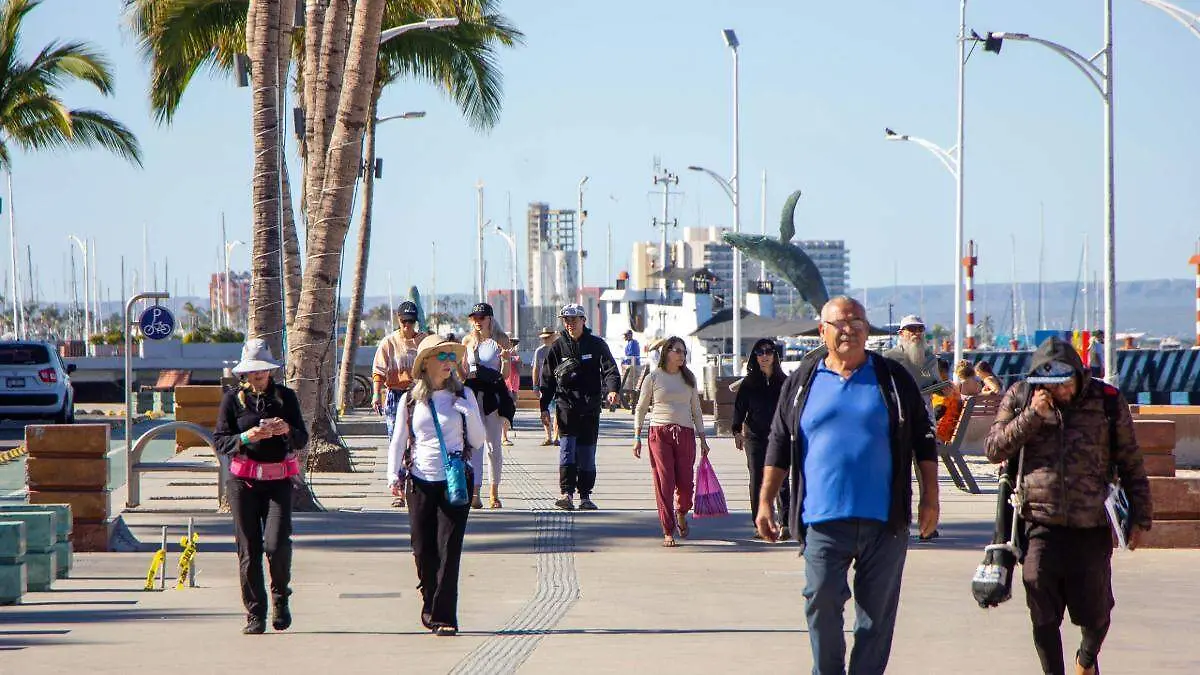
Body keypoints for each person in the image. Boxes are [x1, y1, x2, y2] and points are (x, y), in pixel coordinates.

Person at [758, 296, 939, 674]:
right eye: (840, 323)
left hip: (884, 524)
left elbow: (924, 441)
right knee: (820, 604)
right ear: (822, 331)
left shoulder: (892, 378)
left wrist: (930, 500)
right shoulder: (802, 382)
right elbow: (778, 442)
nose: (850, 329)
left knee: (876, 621)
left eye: (857, 322)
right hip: (821, 521)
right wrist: (765, 503)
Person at [984, 336, 1152, 675]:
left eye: (1063, 382)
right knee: (1039, 598)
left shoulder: (1106, 401)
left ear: (1078, 375)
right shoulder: (1020, 397)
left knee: (1097, 612)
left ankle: (1085, 660)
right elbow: (993, 449)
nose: (1057, 390)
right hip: (1038, 521)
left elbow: (1131, 460)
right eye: (1048, 383)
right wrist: (1032, 416)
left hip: (1089, 522)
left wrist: (1141, 517)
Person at [386, 334, 487, 637]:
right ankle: (429, 600)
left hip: (455, 482)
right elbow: (399, 440)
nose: (448, 363)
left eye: (451, 357)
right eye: (441, 357)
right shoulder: (411, 400)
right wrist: (393, 475)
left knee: (449, 550)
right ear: (426, 363)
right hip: (419, 480)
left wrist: (469, 412)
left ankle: (445, 616)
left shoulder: (464, 395)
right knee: (422, 550)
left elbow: (478, 441)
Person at [213, 339, 309, 635]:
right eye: (252, 372)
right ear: (243, 374)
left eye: (263, 371)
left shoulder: (285, 397)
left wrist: (287, 431)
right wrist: (246, 437)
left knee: (276, 544)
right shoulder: (232, 400)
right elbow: (220, 440)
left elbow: (302, 438)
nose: (258, 376)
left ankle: (281, 596)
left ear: (270, 371)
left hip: (279, 481)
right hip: (243, 483)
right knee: (249, 549)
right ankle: (255, 613)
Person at [539, 303, 621, 511]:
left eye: (573, 320)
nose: (569, 324)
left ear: (583, 320)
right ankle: (566, 494)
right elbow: (547, 378)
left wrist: (612, 390)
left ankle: (585, 496)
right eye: (566, 320)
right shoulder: (557, 347)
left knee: (586, 453)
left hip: (590, 407)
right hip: (566, 407)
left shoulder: (596, 344)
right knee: (567, 451)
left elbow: (610, 369)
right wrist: (543, 407)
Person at [632, 336, 711, 547]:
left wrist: (703, 439)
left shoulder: (689, 378)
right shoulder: (654, 377)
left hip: (685, 434)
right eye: (678, 351)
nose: (681, 355)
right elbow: (641, 408)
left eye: (684, 352)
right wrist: (637, 436)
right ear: (667, 352)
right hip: (660, 434)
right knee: (664, 482)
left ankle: (682, 512)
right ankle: (668, 529)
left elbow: (696, 410)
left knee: (686, 484)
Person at [732, 338, 790, 541]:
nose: (764, 356)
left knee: (782, 479)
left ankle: (785, 523)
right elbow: (739, 410)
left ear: (775, 356)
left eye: (768, 352)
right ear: (754, 357)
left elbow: (791, 410)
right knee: (757, 479)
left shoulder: (784, 382)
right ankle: (760, 523)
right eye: (759, 352)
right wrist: (736, 431)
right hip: (755, 437)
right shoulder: (748, 383)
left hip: (780, 437)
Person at [371, 301, 428, 507]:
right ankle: (398, 488)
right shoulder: (389, 342)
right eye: (404, 321)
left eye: (411, 321)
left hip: (418, 394)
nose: (407, 326)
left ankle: (414, 486)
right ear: (398, 320)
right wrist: (376, 395)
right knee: (396, 440)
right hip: (395, 394)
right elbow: (378, 371)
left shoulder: (423, 341)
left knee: (417, 440)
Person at [462, 303, 515, 509]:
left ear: (490, 319)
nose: (477, 321)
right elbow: (463, 374)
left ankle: (494, 492)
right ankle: (475, 493)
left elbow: (506, 375)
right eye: (474, 317)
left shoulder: (500, 340)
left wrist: (506, 360)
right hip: (473, 396)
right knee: (475, 445)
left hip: (492, 397)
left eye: (481, 317)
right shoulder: (467, 341)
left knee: (494, 446)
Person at [884, 314, 946, 412]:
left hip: (926, 414)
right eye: (912, 329)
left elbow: (935, 383)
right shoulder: (890, 357)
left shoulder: (930, 358)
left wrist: (944, 390)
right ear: (901, 333)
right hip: (900, 413)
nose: (917, 333)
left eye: (920, 329)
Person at [532, 327, 558, 446]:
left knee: (559, 411)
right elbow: (536, 369)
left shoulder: (558, 349)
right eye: (544, 338)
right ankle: (548, 436)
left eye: (548, 337)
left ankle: (556, 436)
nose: (545, 340)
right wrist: (535, 386)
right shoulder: (539, 351)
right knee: (544, 410)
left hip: (558, 385)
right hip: (544, 384)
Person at [931, 358, 964, 444]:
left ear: (939, 372)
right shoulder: (951, 385)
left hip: (942, 431)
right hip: (949, 429)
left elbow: (939, 411)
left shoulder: (944, 389)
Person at [501, 339, 521, 446]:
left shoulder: (516, 357)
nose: (511, 346)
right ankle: (504, 436)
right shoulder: (501, 354)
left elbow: (519, 370)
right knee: (506, 411)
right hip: (505, 386)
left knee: (512, 409)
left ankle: (506, 431)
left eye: (512, 344)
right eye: (509, 343)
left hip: (514, 386)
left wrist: (515, 357)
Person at [617, 329, 641, 411]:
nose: (624, 337)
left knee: (632, 385)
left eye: (626, 335)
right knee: (629, 384)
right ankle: (630, 402)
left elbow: (631, 355)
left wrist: (624, 361)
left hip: (633, 367)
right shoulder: (629, 343)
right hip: (630, 366)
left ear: (630, 335)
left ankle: (632, 402)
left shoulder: (633, 343)